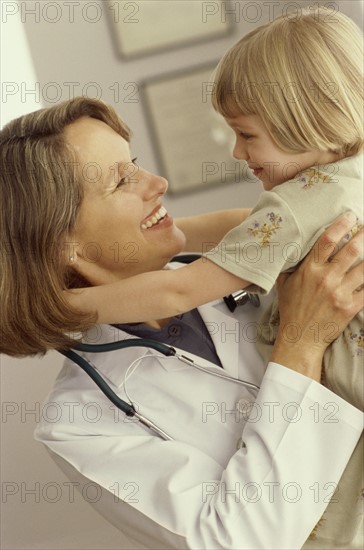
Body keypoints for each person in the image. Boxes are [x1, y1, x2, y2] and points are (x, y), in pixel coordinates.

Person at [0, 96, 363, 549]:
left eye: (134, 163)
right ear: (61, 244)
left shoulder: (252, 265)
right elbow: (236, 542)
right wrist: (300, 345)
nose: (157, 182)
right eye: (121, 181)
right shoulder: (79, 422)